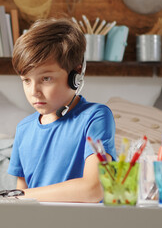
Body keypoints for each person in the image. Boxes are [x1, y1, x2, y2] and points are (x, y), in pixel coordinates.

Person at [7, 18, 116, 202]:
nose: (34, 92)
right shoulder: (24, 129)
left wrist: (17, 196)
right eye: (26, 80)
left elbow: (94, 188)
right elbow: (20, 204)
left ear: (76, 75)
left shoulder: (95, 117)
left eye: (46, 79)